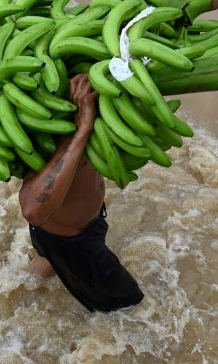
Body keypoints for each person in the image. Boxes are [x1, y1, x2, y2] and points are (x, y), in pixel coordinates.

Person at [18, 73, 144, 312]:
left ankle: (20, 289)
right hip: (73, 244)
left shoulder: (91, 102)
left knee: (48, 260)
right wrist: (81, 131)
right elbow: (33, 209)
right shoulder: (48, 128)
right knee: (129, 304)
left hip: (76, 228)